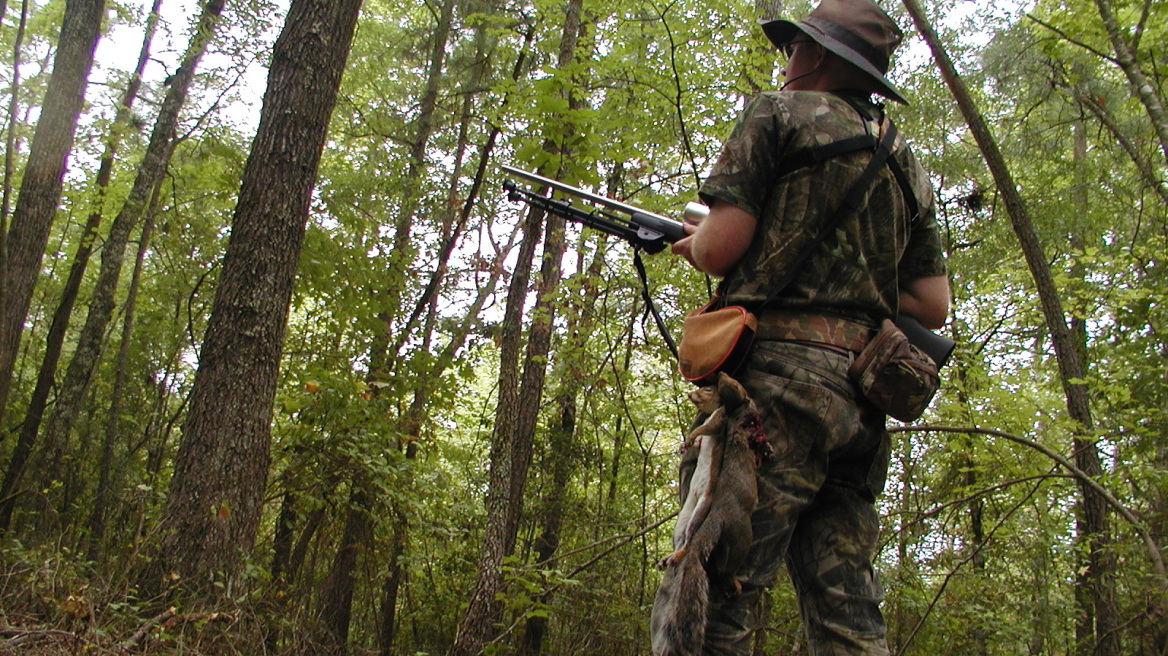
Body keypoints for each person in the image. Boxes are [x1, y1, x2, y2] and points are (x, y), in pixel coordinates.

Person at [653, 0, 950, 654]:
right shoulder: (907, 162)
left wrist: (698, 243)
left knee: (710, 596)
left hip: (775, 399)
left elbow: (722, 248)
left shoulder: (777, 114)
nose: (786, 62)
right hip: (861, 411)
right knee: (848, 617)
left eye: (794, 48)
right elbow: (931, 304)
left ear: (815, 55)